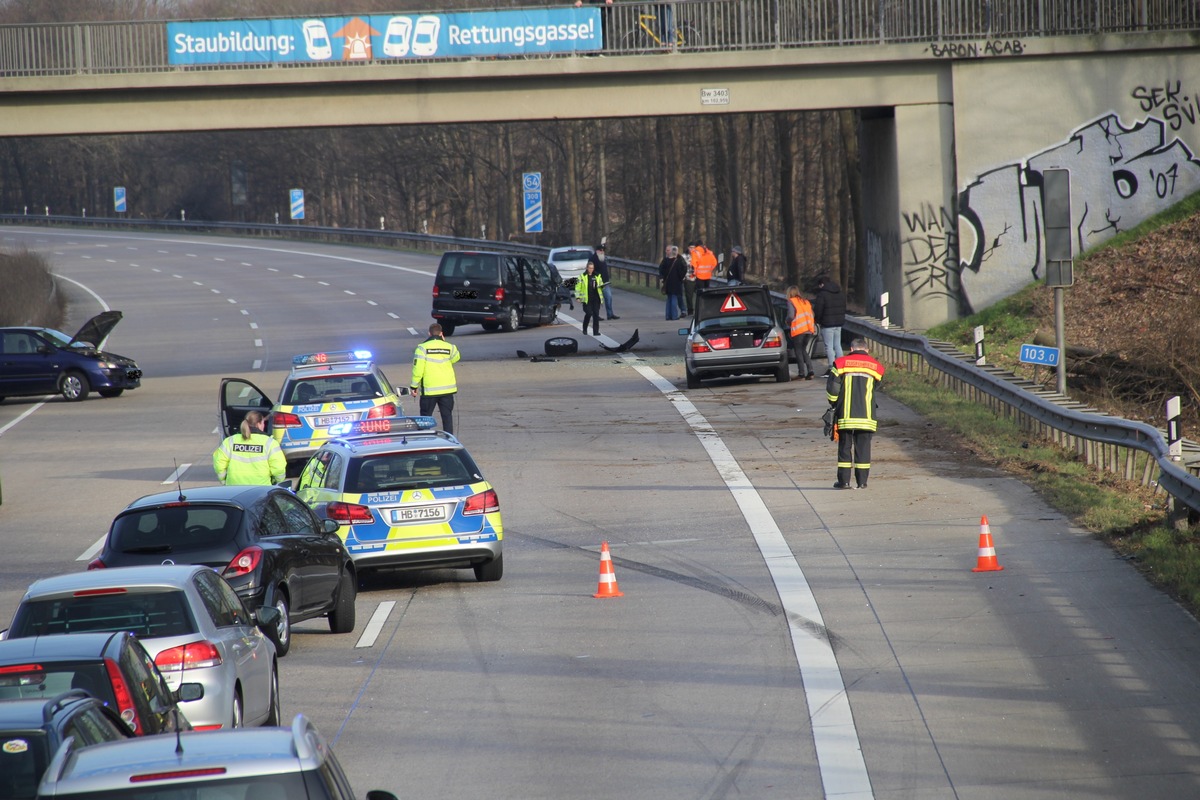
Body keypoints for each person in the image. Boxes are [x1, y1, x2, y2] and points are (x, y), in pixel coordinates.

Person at [826, 338, 885, 489]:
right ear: (867, 350)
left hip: (845, 415)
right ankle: (862, 482)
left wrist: (834, 404)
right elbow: (876, 386)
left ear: (851, 349)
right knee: (863, 448)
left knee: (845, 447)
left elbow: (832, 389)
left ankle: (844, 482)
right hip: (867, 416)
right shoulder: (877, 367)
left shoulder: (840, 364)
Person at [411, 323, 461, 435]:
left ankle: (424, 439)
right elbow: (456, 358)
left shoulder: (422, 348)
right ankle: (449, 440)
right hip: (447, 390)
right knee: (447, 416)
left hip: (429, 391)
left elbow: (418, 369)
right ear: (441, 334)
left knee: (425, 419)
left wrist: (414, 386)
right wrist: (443, 342)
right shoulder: (450, 347)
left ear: (429, 333)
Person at [213, 410, 286, 486]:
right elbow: (279, 468)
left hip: (234, 488)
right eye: (263, 423)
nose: (264, 426)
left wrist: (224, 480)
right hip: (261, 489)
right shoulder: (270, 443)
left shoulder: (230, 441)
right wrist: (278, 481)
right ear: (258, 424)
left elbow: (219, 463)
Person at [812, 273, 847, 365]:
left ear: (822, 284)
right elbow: (844, 307)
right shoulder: (840, 293)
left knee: (829, 347)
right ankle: (841, 365)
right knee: (837, 345)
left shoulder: (822, 294)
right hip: (838, 323)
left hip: (827, 324)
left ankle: (832, 367)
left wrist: (817, 321)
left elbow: (818, 310)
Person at [785, 285, 817, 380]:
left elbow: (791, 316)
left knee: (798, 351)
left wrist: (787, 321)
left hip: (799, 330)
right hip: (809, 329)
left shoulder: (791, 302)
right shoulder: (806, 302)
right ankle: (810, 371)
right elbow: (813, 314)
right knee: (804, 350)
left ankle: (801, 373)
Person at [587, 243, 618, 320]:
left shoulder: (603, 258)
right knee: (597, 301)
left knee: (609, 298)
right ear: (597, 251)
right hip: (596, 283)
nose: (602, 252)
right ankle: (596, 316)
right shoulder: (592, 259)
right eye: (601, 250)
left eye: (603, 250)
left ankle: (610, 314)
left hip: (605, 282)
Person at [575, 259, 605, 335]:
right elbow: (578, 287)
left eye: (592, 268)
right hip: (587, 299)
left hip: (596, 299)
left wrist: (602, 286)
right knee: (588, 313)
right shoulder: (582, 276)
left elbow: (602, 286)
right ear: (587, 268)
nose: (591, 270)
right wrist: (578, 297)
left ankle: (596, 331)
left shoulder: (597, 276)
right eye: (590, 268)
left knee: (596, 315)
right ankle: (584, 328)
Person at [658, 244, 687, 320]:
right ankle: (674, 316)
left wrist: (662, 278)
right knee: (674, 298)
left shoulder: (665, 260)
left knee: (669, 299)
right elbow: (684, 268)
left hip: (667, 283)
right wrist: (681, 278)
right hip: (676, 282)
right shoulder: (678, 261)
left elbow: (661, 269)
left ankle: (668, 316)